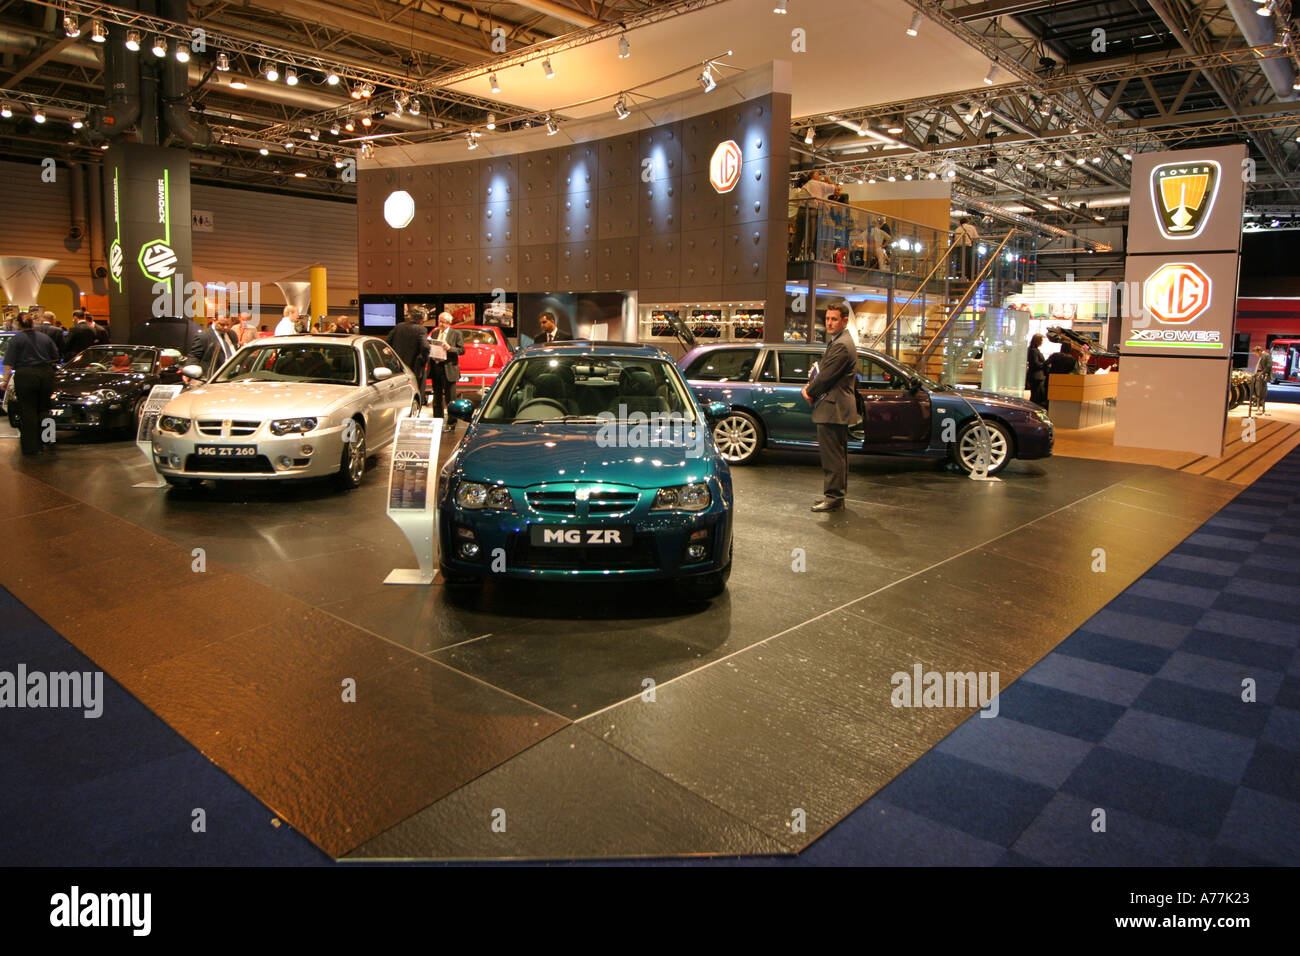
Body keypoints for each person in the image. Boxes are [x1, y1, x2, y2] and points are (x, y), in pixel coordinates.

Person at [802, 301, 858, 513]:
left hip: (833, 408)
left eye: (834, 319)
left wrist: (809, 390)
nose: (830, 323)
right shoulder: (839, 341)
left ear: (844, 320)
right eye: (827, 319)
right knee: (837, 455)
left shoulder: (842, 344)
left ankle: (834, 498)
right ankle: (835, 496)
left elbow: (826, 377)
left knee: (833, 456)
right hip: (835, 408)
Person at [1, 313, 61, 455]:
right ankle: (49, 440)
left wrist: (5, 380)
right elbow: (55, 356)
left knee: (28, 411)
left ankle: (31, 447)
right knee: (45, 408)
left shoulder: (17, 340)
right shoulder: (45, 338)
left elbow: (9, 362)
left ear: (18, 324)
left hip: (26, 376)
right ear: (32, 323)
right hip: (46, 374)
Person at [427, 311, 465, 429]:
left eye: (444, 322)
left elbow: (461, 350)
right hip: (436, 368)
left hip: (448, 368)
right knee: (437, 398)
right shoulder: (435, 333)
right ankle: (437, 421)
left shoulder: (456, 334)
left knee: (450, 398)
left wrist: (449, 348)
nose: (441, 324)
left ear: (449, 323)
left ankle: (451, 423)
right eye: (440, 321)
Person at [386, 309, 430, 405]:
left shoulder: (399, 326)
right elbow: (425, 347)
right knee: (416, 390)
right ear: (421, 319)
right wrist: (424, 359)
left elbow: (387, 341)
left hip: (397, 366)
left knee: (399, 390)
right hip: (415, 366)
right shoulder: (421, 329)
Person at [1025, 333, 1048, 407]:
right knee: (1036, 396)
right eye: (1041, 340)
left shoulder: (1033, 349)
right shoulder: (1033, 350)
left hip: (1035, 375)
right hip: (1036, 376)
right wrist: (1045, 364)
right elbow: (1035, 363)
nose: (1042, 342)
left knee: (1036, 395)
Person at [1253, 345, 1273, 415]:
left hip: (1263, 375)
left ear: (1259, 351)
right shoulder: (1262, 356)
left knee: (1262, 391)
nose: (1256, 355)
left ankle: (1261, 406)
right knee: (1257, 390)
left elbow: (1269, 366)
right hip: (1259, 375)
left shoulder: (1266, 355)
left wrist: (1262, 373)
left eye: (1256, 353)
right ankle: (1258, 405)